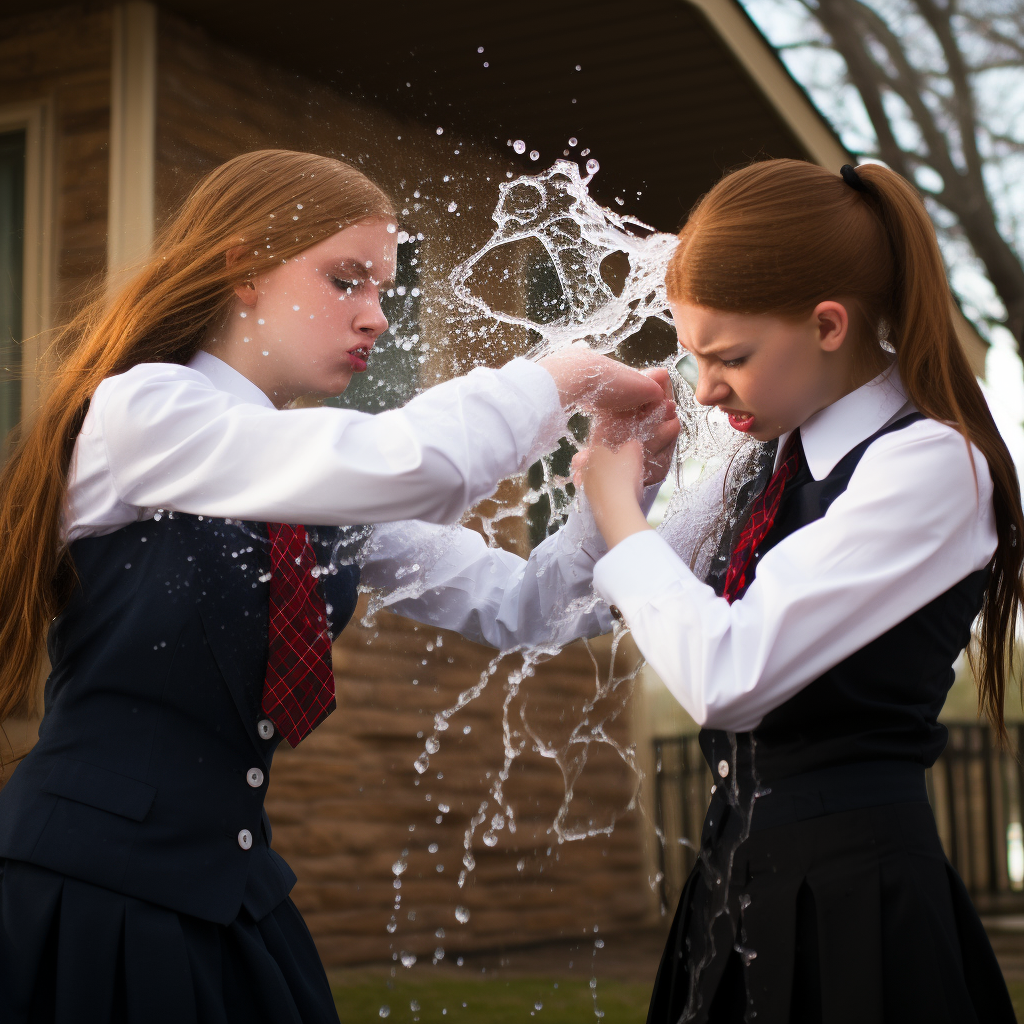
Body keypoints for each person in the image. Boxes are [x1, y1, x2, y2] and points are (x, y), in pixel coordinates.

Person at [0, 148, 678, 1024]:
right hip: (88, 893)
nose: (377, 319)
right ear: (244, 269)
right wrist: (564, 378)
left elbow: (526, 608)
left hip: (231, 893)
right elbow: (413, 464)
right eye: (346, 281)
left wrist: (614, 496)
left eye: (384, 290)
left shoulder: (315, 476)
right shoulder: (145, 414)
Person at [576, 158, 1021, 1023]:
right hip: (733, 892)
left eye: (731, 357)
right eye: (695, 356)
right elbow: (592, 604)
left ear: (828, 324)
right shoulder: (769, 461)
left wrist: (620, 520)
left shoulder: (933, 465)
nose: (706, 389)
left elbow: (728, 674)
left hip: (856, 909)